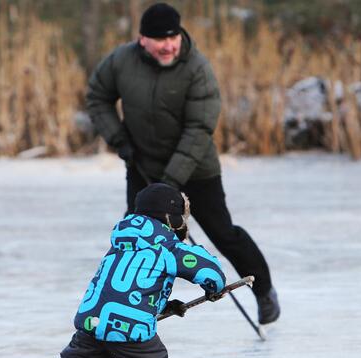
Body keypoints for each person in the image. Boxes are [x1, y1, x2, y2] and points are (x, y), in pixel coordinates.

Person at [85, 2, 280, 325]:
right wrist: (118, 138)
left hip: (195, 170)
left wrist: (170, 182)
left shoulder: (196, 68)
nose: (168, 45)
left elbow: (199, 129)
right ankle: (126, 303)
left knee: (223, 233)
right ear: (142, 39)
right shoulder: (121, 61)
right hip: (143, 165)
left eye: (173, 37)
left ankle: (264, 290)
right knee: (137, 238)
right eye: (160, 39)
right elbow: (97, 96)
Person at [8, 183, 227, 358]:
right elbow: (208, 270)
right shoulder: (167, 248)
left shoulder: (120, 244)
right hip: (128, 325)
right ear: (172, 217)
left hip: (93, 319)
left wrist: (163, 306)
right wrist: (215, 289)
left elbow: (124, 289)